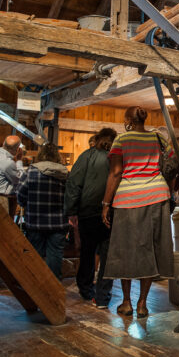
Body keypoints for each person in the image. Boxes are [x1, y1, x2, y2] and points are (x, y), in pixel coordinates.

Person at [101, 106, 174, 318]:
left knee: (125, 250)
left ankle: (126, 302)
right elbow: (169, 168)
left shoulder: (121, 141)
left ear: (127, 120)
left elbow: (115, 173)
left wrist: (106, 203)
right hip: (157, 196)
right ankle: (142, 303)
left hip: (128, 199)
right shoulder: (159, 139)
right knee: (150, 248)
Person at [64, 127, 117, 307]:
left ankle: (86, 289)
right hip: (111, 212)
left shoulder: (86, 156)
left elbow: (74, 183)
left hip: (87, 212)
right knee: (108, 256)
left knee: (87, 251)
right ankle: (103, 295)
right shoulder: (116, 158)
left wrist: (71, 210)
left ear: (97, 139)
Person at [16, 143, 69, 278]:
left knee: (35, 255)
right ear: (57, 156)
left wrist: (24, 204)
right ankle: (54, 286)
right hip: (58, 223)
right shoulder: (65, 174)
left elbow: (20, 194)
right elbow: (71, 197)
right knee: (55, 254)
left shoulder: (31, 172)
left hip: (35, 221)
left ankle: (36, 284)